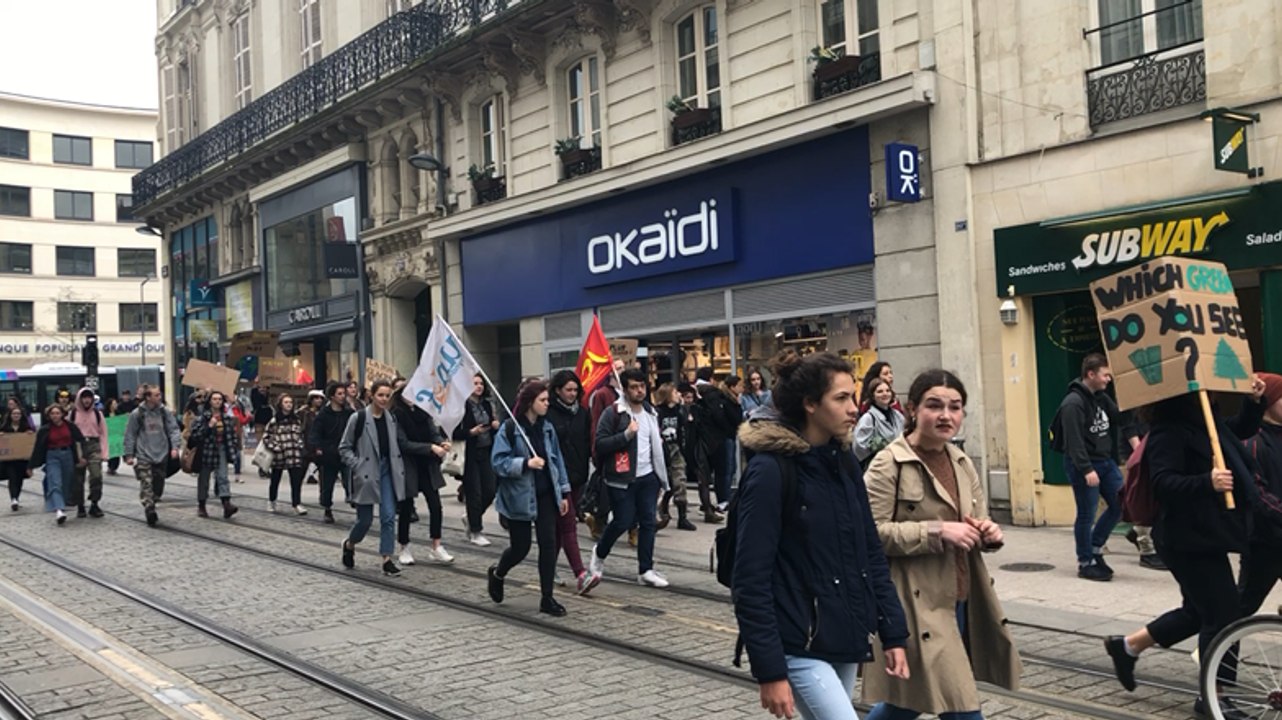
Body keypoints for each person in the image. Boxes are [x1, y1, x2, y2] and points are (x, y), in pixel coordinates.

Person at [734, 350, 909, 720]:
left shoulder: (842, 461)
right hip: (796, 642)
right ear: (810, 404)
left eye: (853, 396)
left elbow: (869, 552)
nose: (853, 408)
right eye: (841, 398)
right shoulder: (769, 471)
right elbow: (750, 578)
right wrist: (771, 670)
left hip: (842, 631)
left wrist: (893, 632)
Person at [1103, 378, 1269, 720]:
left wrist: (1253, 403)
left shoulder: (1204, 422)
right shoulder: (1167, 430)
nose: (1208, 394)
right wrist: (1206, 482)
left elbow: (1236, 432)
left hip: (1207, 534)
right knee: (1223, 618)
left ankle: (1127, 646)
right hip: (1185, 539)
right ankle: (1213, 697)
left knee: (1198, 612)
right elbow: (1163, 482)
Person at [863, 369, 1021, 720]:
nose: (946, 415)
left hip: (961, 598)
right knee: (962, 707)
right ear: (913, 409)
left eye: (955, 407)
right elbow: (868, 535)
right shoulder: (888, 463)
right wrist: (936, 532)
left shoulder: (962, 462)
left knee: (904, 704)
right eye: (934, 405)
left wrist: (989, 534)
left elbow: (974, 522)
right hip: (914, 604)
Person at [488, 379, 576, 616]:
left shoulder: (547, 428)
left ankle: (547, 598)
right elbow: (498, 462)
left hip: (546, 494)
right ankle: (498, 573)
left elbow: (557, 460)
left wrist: (564, 492)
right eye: (543, 400)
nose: (548, 404)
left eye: (548, 399)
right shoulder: (510, 429)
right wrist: (525, 463)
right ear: (529, 402)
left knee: (548, 545)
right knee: (521, 548)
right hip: (520, 497)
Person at [1053, 354, 1136, 581]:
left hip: (1105, 462)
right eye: (1105, 375)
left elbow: (1119, 418)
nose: (1108, 379)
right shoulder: (1073, 403)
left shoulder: (1100, 397)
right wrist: (1087, 469)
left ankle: (1096, 547)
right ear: (1091, 374)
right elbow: (1074, 441)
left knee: (1121, 504)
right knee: (1086, 514)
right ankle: (1085, 561)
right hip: (1084, 465)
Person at [588, 368, 671, 589]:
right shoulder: (613, 413)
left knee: (647, 523)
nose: (639, 391)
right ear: (624, 389)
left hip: (648, 477)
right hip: (621, 479)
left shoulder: (650, 412)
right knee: (622, 521)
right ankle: (600, 552)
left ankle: (645, 570)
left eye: (642, 386)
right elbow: (600, 444)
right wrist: (626, 435)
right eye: (634, 387)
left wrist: (660, 476)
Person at [339, 380, 406, 576]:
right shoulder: (358, 418)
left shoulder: (391, 418)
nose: (384, 399)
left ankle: (387, 558)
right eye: (380, 395)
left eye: (387, 395)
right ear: (372, 395)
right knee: (365, 520)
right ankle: (350, 544)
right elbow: (344, 447)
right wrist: (358, 465)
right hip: (367, 472)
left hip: (387, 470)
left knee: (388, 517)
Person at [392, 380, 454, 566]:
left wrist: (441, 442)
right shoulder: (396, 415)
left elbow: (432, 431)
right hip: (408, 464)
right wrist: (431, 448)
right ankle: (404, 546)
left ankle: (436, 546)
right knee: (406, 508)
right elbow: (403, 443)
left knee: (435, 505)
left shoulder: (423, 412)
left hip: (427, 465)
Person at [545, 370, 592, 591]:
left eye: (575, 390)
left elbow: (586, 441)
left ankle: (548, 567)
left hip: (578, 476)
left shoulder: (582, 413)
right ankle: (581, 573)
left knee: (559, 528)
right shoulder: (549, 413)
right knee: (568, 523)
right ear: (557, 391)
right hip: (557, 478)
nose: (572, 394)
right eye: (568, 390)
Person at [122, 385, 181, 527]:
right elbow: (130, 434)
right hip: (144, 454)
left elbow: (173, 429)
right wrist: (129, 454)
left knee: (158, 483)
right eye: (156, 395)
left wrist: (175, 447)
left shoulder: (164, 412)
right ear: (148, 397)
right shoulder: (137, 414)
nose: (159, 398)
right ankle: (149, 508)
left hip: (161, 453)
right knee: (146, 482)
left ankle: (153, 500)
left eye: (159, 395)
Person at [453, 374, 499, 546]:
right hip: (470, 453)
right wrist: (471, 432)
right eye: (475, 383)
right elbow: (453, 431)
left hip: (486, 451)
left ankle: (471, 517)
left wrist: (495, 425)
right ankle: (476, 531)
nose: (478, 386)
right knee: (474, 493)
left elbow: (493, 425)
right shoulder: (462, 406)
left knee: (490, 489)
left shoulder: (487, 405)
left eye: (481, 383)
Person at [29, 404, 86, 526]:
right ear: (49, 415)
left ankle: (61, 504)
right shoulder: (45, 429)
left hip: (68, 455)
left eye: (57, 413)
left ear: (62, 414)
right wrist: (31, 466)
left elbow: (80, 440)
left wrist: (81, 457)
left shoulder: (70, 426)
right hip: (52, 455)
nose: (55, 416)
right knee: (55, 482)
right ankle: (59, 510)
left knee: (66, 483)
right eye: (52, 414)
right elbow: (37, 448)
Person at [188, 391, 241, 520]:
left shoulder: (226, 418)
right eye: (214, 399)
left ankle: (226, 504)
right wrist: (208, 426)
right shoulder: (203, 417)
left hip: (221, 449)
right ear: (210, 401)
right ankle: (202, 505)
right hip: (206, 450)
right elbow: (195, 435)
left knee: (223, 476)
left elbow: (232, 435)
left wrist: (233, 447)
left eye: (219, 399)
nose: (217, 401)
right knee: (204, 479)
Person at [694, 367, 740, 511]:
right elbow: (718, 415)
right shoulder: (714, 395)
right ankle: (723, 499)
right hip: (720, 436)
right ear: (711, 379)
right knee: (725, 469)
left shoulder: (696, 392)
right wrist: (728, 428)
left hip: (703, 437)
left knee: (707, 473)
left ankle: (709, 502)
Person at [310, 382, 354, 523]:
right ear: (332, 396)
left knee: (350, 478)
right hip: (329, 454)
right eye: (339, 394)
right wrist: (318, 448)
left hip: (346, 453)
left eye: (343, 394)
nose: (342, 397)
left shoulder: (349, 413)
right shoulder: (324, 415)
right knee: (327, 484)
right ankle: (327, 509)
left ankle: (352, 498)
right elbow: (315, 433)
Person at [655, 382, 696, 531]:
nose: (678, 395)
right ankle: (662, 507)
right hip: (662, 449)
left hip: (676, 448)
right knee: (666, 484)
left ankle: (682, 516)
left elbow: (683, 428)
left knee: (680, 480)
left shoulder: (679, 411)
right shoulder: (658, 412)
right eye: (674, 393)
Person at [680, 381, 722, 523]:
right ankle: (706, 509)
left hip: (698, 447)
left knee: (702, 479)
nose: (689, 400)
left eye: (692, 397)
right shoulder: (686, 410)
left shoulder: (699, 409)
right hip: (692, 448)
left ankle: (707, 508)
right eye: (686, 397)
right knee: (692, 480)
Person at [264, 394, 308, 514]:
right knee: (275, 479)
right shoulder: (274, 420)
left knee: (296, 480)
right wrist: (275, 447)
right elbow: (266, 437)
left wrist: (300, 444)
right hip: (280, 454)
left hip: (294, 453)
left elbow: (300, 434)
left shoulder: (296, 419)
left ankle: (296, 503)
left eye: (290, 402)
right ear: (280, 404)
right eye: (286, 402)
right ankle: (272, 501)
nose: (288, 404)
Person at [68, 387, 108, 519]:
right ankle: (80, 505)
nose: (86, 400)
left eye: (89, 397)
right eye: (84, 397)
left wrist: (104, 452)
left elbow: (103, 433)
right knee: (78, 479)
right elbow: (68, 432)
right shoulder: (73, 414)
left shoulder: (97, 414)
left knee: (96, 476)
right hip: (78, 446)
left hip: (94, 445)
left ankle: (94, 503)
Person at [853, 376, 905, 468]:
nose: (885, 394)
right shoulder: (868, 418)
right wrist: (877, 446)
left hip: (898, 464)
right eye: (880, 391)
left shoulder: (898, 415)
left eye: (887, 390)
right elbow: (858, 446)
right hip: (878, 466)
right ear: (873, 396)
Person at [2, 405, 34, 511]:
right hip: (10, 460)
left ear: (21, 416)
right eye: (14, 414)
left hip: (22, 459)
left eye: (18, 414)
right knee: (12, 478)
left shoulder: (25, 427)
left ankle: (17, 498)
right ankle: (13, 499)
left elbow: (31, 440)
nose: (16, 415)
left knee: (19, 479)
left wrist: (29, 434)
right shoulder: (4, 427)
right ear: (10, 415)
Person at [251, 384, 272, 477]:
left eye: (264, 387)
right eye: (261, 388)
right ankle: (262, 468)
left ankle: (266, 467)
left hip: (269, 423)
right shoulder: (257, 398)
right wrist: (256, 385)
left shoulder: (270, 397)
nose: (262, 389)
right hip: (259, 422)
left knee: (269, 447)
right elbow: (254, 396)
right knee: (262, 445)